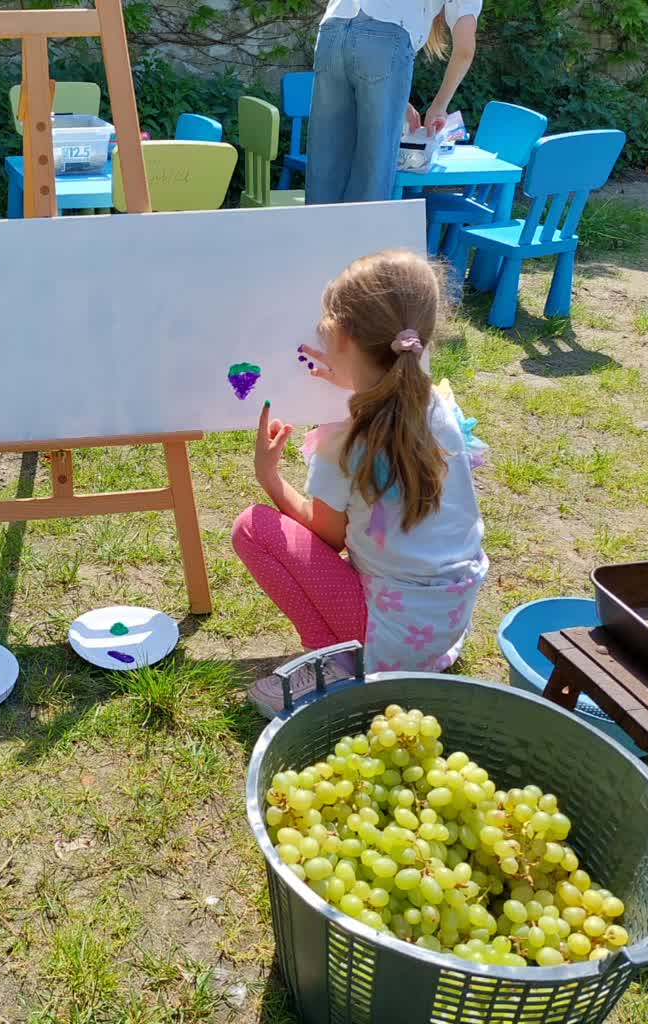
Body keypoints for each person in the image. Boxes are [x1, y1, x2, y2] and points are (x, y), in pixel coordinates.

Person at [233, 250, 487, 717]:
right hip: (445, 621)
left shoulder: (346, 440)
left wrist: (269, 477)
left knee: (252, 527)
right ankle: (397, 658)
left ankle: (336, 663)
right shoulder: (439, 405)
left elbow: (326, 537)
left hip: (386, 636)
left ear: (342, 337)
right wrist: (355, 380)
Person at [306, 0, 480, 205]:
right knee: (373, 171)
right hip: (386, 36)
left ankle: (317, 225)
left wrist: (400, 102)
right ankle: (363, 226)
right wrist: (439, 106)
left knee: (325, 164)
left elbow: (357, 45)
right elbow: (465, 50)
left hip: (332, 32)